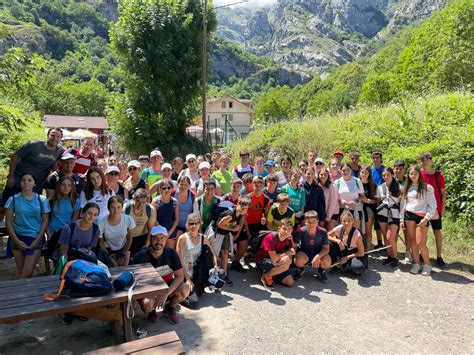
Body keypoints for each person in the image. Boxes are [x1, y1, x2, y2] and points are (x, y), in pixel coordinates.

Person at [1, 127, 63, 221]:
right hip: (18, 181)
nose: (55, 138)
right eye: (52, 135)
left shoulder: (59, 151)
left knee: (30, 211)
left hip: (36, 186)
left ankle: (21, 230)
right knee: (3, 207)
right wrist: (11, 176)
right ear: (48, 135)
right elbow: (15, 156)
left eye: (58, 136)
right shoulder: (34, 145)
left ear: (60, 139)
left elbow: (69, 157)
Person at [134, 226, 190, 324]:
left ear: (166, 239)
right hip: (150, 290)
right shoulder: (140, 257)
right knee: (147, 305)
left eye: (162, 238)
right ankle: (152, 311)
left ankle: (170, 307)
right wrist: (155, 293)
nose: (158, 241)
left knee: (185, 288)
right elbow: (138, 282)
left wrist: (166, 293)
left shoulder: (172, 253)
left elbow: (180, 276)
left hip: (166, 286)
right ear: (150, 238)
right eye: (155, 238)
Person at [4, 173, 50, 278]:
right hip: (17, 237)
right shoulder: (13, 199)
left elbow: (45, 220)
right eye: (23, 180)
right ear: (20, 183)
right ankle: (20, 292)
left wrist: (38, 239)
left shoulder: (41, 200)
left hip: (34, 237)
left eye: (29, 180)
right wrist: (16, 240)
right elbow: (8, 221)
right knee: (21, 270)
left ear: (34, 183)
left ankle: (17, 292)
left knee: (27, 273)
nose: (26, 182)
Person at [400, 165, 437, 276]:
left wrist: (426, 218)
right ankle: (416, 263)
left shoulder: (427, 188)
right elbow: (403, 205)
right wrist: (401, 219)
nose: (413, 176)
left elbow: (433, 205)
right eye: (411, 174)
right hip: (409, 216)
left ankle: (427, 264)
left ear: (419, 174)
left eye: (415, 173)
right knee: (412, 241)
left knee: (420, 242)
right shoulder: (406, 188)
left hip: (422, 217)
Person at [176, 213, 218, 308]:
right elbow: (178, 261)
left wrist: (215, 266)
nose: (194, 226)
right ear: (187, 225)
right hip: (186, 273)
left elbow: (213, 253)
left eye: (196, 223)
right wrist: (187, 279)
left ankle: (200, 285)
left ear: (200, 223)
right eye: (191, 223)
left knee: (221, 272)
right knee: (193, 302)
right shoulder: (183, 238)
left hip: (198, 272)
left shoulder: (204, 238)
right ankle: (178, 296)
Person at [238, 176, 270, 271]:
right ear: (253, 185)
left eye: (260, 185)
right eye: (256, 185)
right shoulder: (248, 197)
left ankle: (257, 259)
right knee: (245, 241)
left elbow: (266, 214)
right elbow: (243, 216)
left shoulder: (265, 199)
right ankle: (242, 257)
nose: (258, 187)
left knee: (259, 242)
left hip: (258, 223)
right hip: (247, 223)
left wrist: (264, 218)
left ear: (263, 186)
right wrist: (247, 231)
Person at [215, 196, 250, 284]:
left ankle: (224, 274)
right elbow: (219, 225)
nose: (243, 210)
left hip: (225, 233)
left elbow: (241, 221)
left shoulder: (241, 214)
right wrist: (233, 229)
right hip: (217, 234)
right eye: (242, 207)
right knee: (215, 254)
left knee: (225, 252)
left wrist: (234, 231)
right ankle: (214, 275)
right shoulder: (230, 215)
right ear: (237, 204)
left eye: (245, 208)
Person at [420, 152, 447, 267]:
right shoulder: (419, 174)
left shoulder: (438, 175)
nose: (425, 161)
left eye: (427, 159)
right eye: (423, 159)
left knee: (437, 232)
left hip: (436, 208)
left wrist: (443, 209)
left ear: (431, 160)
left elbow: (443, 193)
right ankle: (422, 255)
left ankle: (439, 256)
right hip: (423, 207)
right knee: (423, 232)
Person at [256, 219, 295, 288]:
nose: (286, 231)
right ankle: (266, 276)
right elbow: (274, 259)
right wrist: (287, 254)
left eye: (289, 229)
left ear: (292, 230)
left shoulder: (289, 239)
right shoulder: (271, 237)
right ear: (279, 228)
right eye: (284, 228)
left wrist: (288, 256)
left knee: (290, 282)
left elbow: (290, 256)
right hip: (263, 261)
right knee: (286, 260)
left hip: (278, 261)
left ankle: (274, 273)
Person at [293, 211, 331, 283]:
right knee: (298, 259)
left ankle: (321, 270)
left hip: (318, 253)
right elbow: (294, 246)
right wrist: (294, 257)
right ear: (305, 222)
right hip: (305, 254)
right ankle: (300, 269)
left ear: (317, 221)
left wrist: (318, 256)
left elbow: (326, 249)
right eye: (309, 221)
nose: (311, 224)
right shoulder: (300, 231)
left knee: (327, 260)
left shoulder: (323, 231)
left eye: (314, 221)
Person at [98, 196, 135, 267]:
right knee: (113, 268)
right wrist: (109, 257)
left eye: (118, 207)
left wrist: (122, 255)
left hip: (124, 248)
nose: (116, 210)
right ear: (108, 208)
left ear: (122, 208)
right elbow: (101, 242)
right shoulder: (101, 222)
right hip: (108, 249)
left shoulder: (128, 220)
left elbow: (129, 239)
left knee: (123, 269)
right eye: (112, 207)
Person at [327, 210, 366, 276]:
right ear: (341, 221)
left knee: (358, 268)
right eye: (344, 221)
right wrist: (338, 241)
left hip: (354, 252)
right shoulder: (339, 228)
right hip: (343, 250)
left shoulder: (357, 234)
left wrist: (346, 258)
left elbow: (361, 253)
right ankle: (336, 264)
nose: (346, 223)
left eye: (349, 221)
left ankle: (350, 265)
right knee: (329, 243)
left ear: (353, 221)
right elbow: (326, 235)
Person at [376, 167, 401, 268]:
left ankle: (395, 257)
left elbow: (403, 204)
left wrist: (402, 217)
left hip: (394, 213)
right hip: (382, 213)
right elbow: (379, 202)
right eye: (384, 175)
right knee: (385, 235)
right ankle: (389, 256)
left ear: (392, 175)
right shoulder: (380, 187)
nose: (386, 177)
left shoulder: (399, 187)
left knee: (390, 237)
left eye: (388, 175)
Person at [47, 177, 81, 250]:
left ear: (72, 187)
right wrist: (49, 234)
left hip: (66, 233)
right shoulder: (51, 201)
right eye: (63, 185)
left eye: (69, 185)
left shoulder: (75, 201)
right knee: (52, 255)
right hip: (52, 230)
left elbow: (74, 220)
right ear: (59, 186)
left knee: (63, 257)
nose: (66, 187)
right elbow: (46, 220)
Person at [124, 189, 157, 256]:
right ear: (133, 199)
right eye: (138, 201)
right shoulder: (125, 209)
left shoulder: (150, 210)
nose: (140, 205)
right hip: (127, 237)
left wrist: (146, 244)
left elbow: (150, 228)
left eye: (143, 202)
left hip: (142, 237)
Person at [335, 163, 365, 229]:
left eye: (348, 170)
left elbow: (362, 196)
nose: (345, 172)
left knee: (355, 232)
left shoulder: (357, 181)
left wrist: (356, 201)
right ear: (340, 171)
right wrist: (340, 200)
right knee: (343, 233)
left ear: (351, 170)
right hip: (342, 210)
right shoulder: (337, 182)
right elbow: (334, 197)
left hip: (355, 209)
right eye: (343, 170)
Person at [153, 179, 179, 249]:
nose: (166, 190)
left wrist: (169, 232)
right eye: (164, 188)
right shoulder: (155, 201)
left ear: (172, 189)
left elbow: (177, 219)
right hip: (158, 231)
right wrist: (162, 232)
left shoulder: (175, 202)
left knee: (170, 253)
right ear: (160, 189)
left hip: (171, 231)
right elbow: (154, 219)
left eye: (169, 188)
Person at [393, 160, 411, 261]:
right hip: (394, 208)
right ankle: (394, 252)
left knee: (406, 231)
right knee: (394, 232)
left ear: (404, 169)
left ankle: (408, 252)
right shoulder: (391, 180)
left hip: (406, 209)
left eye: (400, 168)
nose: (398, 170)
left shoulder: (408, 181)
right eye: (396, 168)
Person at [359, 166, 377, 251]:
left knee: (368, 230)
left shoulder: (373, 185)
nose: (364, 174)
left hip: (369, 208)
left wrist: (367, 200)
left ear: (369, 174)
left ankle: (368, 249)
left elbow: (375, 201)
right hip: (358, 207)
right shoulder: (356, 183)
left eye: (366, 173)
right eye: (362, 172)